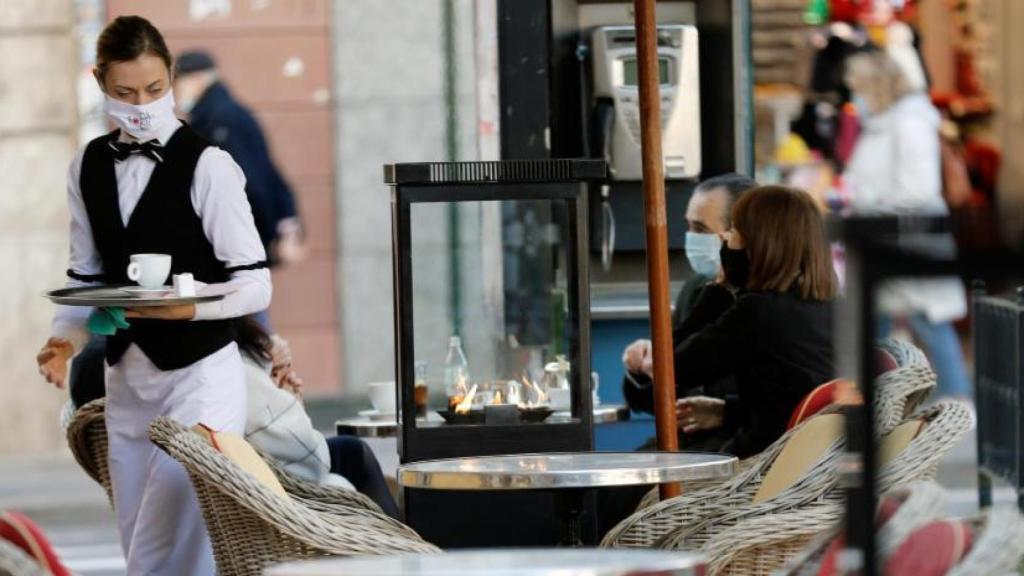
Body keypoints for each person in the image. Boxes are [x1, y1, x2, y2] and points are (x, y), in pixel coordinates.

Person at [37, 16, 270, 575]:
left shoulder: (209, 166)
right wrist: (63, 341)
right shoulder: (87, 167)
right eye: (124, 93)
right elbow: (88, 277)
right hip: (128, 379)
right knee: (140, 534)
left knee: (167, 544)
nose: (141, 104)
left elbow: (255, 282)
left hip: (201, 378)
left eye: (154, 89)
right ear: (99, 82)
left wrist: (185, 307)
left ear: (170, 76)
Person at [623, 186, 836, 458]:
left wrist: (719, 289)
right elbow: (787, 400)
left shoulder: (758, 311)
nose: (724, 239)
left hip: (759, 473)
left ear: (761, 244)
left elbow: (668, 369)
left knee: (632, 493)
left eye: (734, 231)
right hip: (808, 466)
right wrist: (726, 412)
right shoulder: (830, 306)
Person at [843, 50, 971, 401]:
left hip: (911, 236)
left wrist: (872, 207)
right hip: (884, 235)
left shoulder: (909, 123)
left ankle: (956, 397)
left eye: (857, 88)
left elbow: (917, 189)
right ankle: (876, 398)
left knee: (928, 318)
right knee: (878, 320)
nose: (854, 97)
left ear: (875, 86)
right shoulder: (881, 125)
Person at [622, 173, 757, 452]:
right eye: (688, 227)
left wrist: (724, 412)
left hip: (738, 451)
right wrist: (642, 366)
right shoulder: (695, 289)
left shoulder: (761, 301)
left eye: (700, 229)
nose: (691, 239)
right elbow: (669, 387)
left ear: (739, 233)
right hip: (686, 443)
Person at [235, 322, 400, 518]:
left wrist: (283, 399)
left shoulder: (225, 363)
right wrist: (292, 405)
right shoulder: (245, 373)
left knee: (351, 451)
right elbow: (313, 461)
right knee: (356, 452)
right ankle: (406, 543)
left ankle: (399, 529)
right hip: (282, 480)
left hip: (266, 467)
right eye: (278, 369)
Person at [173, 50, 304, 271]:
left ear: (197, 79)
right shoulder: (221, 115)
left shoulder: (221, 120)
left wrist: (273, 234)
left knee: (244, 299)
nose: (176, 92)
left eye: (179, 83)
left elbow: (251, 180)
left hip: (235, 239)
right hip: (239, 238)